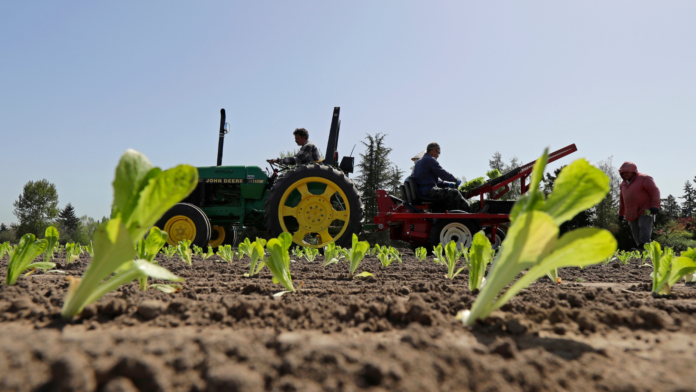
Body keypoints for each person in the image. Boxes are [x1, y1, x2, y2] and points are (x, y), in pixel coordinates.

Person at [412, 142, 470, 211]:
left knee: (447, 195)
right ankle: (472, 213)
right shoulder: (430, 160)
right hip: (428, 191)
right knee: (454, 192)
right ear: (433, 150)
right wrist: (455, 180)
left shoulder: (419, 162)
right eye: (438, 152)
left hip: (423, 190)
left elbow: (435, 181)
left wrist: (448, 184)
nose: (438, 155)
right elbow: (442, 174)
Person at [618, 161, 660, 249]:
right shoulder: (623, 184)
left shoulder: (644, 178)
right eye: (623, 172)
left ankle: (645, 246)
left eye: (627, 172)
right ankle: (640, 247)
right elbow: (622, 199)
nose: (625, 174)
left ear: (633, 171)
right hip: (631, 210)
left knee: (644, 226)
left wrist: (655, 206)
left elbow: (654, 191)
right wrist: (621, 214)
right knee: (634, 228)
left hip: (646, 208)